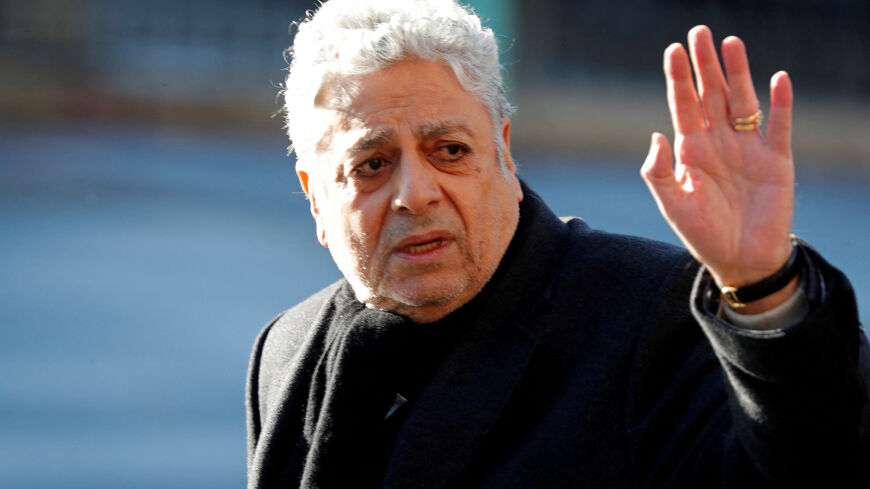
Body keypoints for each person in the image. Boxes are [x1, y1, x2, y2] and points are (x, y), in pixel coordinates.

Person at [246, 1, 870, 487]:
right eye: (372, 164)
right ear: (315, 197)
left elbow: (813, 464)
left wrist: (763, 286)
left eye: (450, 151)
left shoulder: (653, 317)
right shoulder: (287, 349)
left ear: (504, 153)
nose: (416, 193)